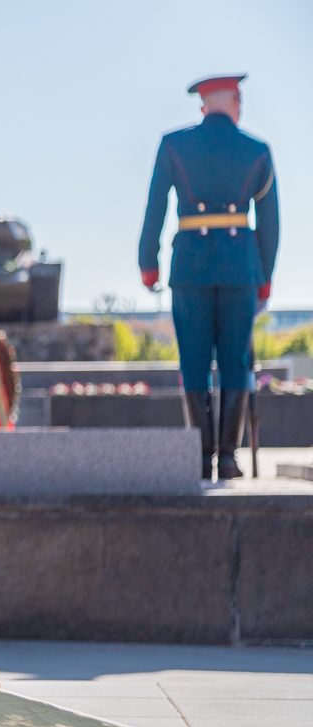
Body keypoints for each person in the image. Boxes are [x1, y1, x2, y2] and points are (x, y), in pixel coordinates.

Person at [138, 74, 280, 480]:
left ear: (204, 106)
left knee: (195, 361)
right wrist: (264, 276)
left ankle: (201, 458)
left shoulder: (173, 144)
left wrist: (148, 263)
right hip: (240, 268)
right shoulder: (258, 150)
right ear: (234, 102)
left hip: (190, 268)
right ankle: (229, 459)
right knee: (235, 361)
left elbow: (154, 208)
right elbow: (270, 223)